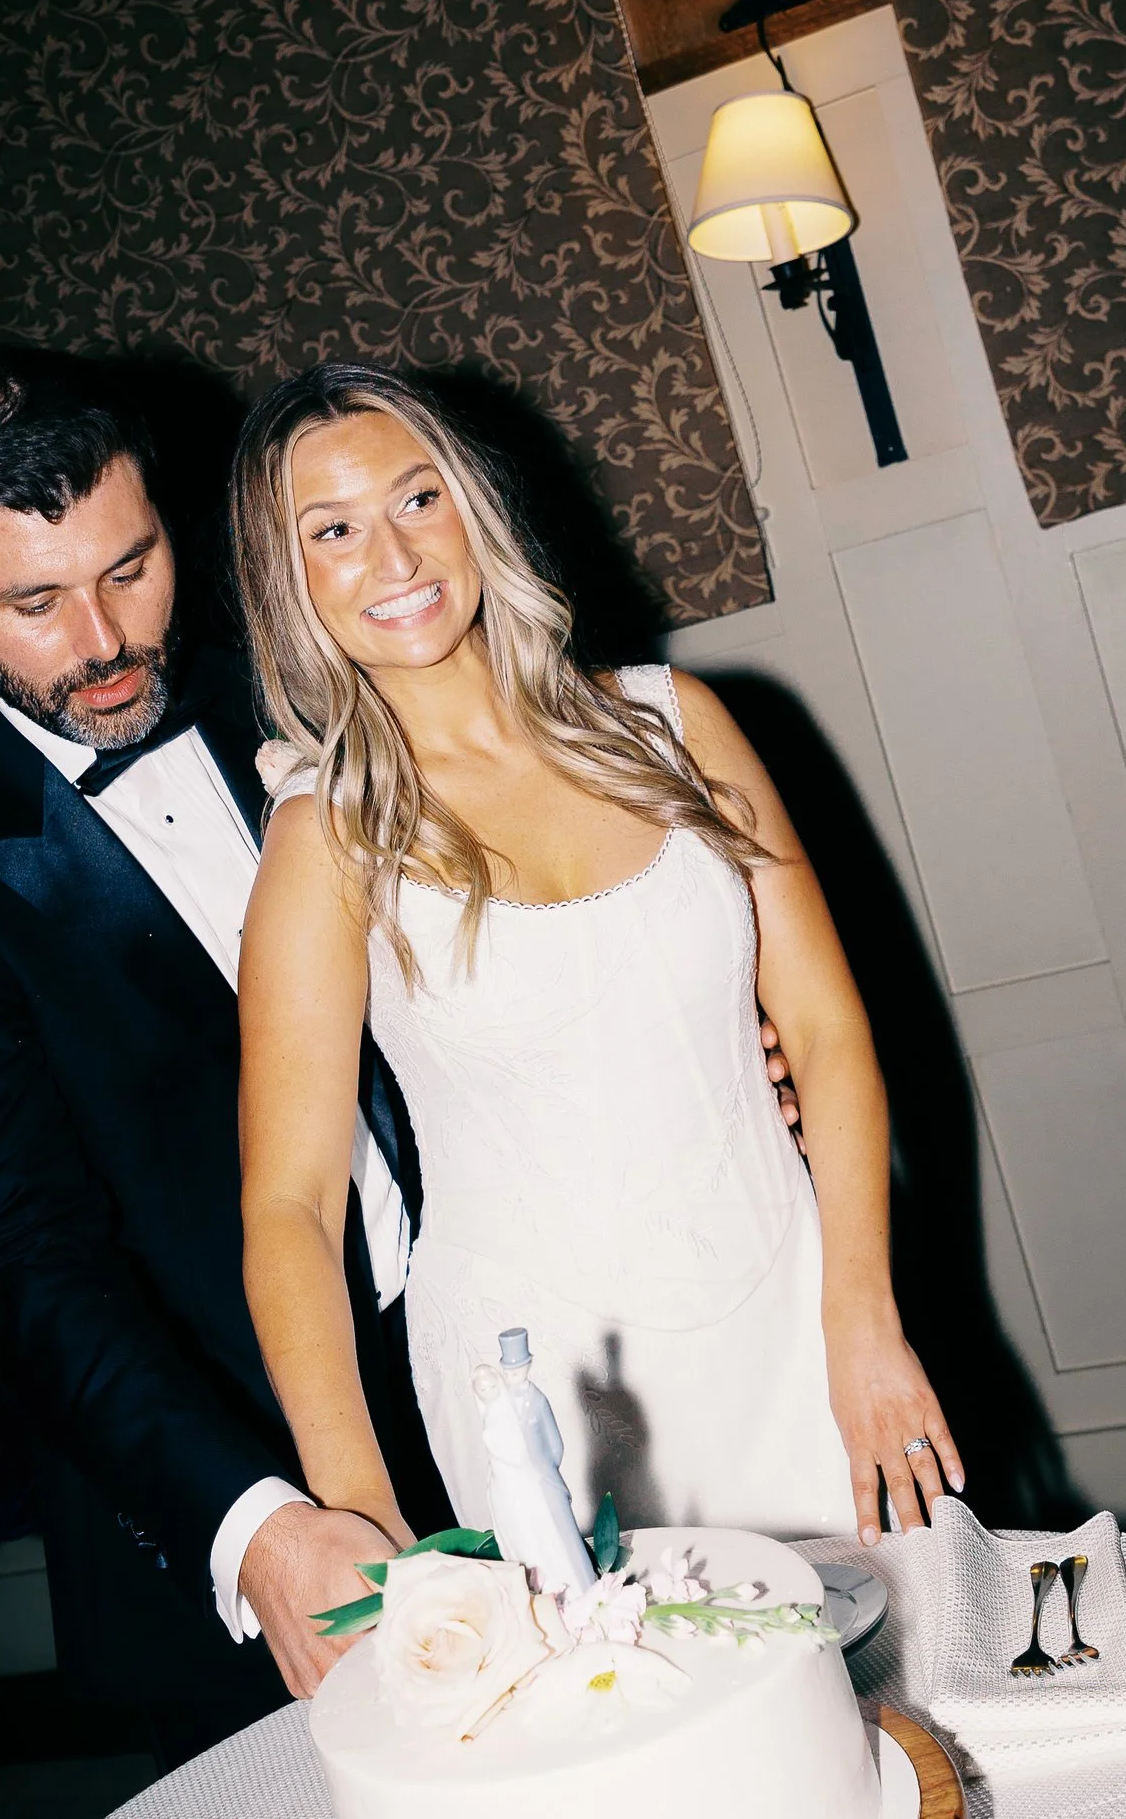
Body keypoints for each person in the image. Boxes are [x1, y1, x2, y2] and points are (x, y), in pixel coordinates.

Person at [0, 355, 443, 1819]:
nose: (101, 645)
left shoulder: (292, 692)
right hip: (240, 1505)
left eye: (131, 569)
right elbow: (23, 1264)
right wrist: (257, 1522)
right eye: (33, 603)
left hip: (492, 1357)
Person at [233, 363, 962, 1703]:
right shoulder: (322, 839)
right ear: (291, 584)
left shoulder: (678, 722)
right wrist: (363, 1509)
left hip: (786, 1307)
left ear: (475, 508)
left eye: (417, 496)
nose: (390, 552)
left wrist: (861, 1309)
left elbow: (826, 1025)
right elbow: (287, 1203)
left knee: (902, 1708)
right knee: (656, 1749)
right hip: (549, 1399)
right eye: (330, 529)